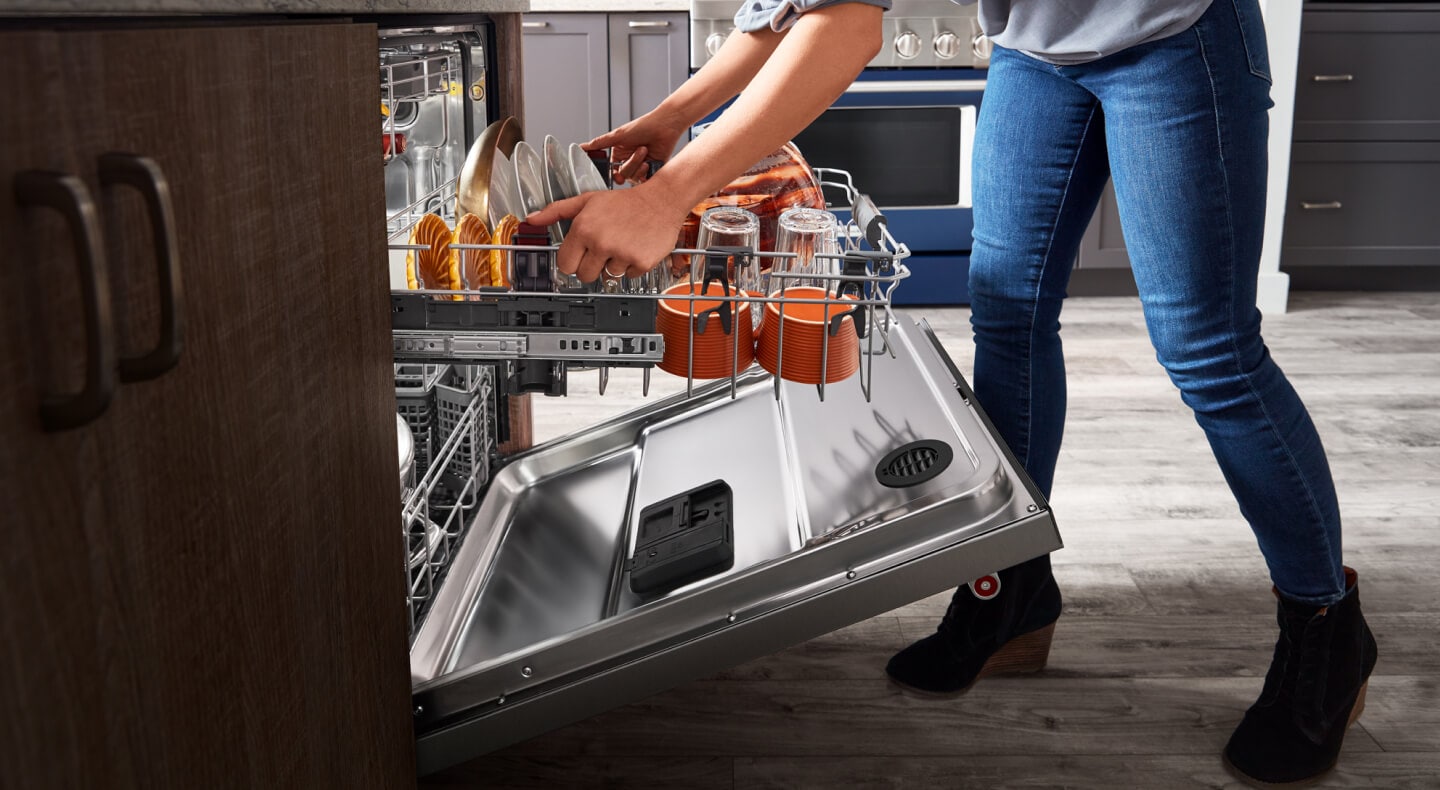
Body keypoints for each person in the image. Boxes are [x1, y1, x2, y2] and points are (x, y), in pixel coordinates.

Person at [526, 1, 1377, 785]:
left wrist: (667, 195)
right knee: (1007, 313)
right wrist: (670, 122)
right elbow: (794, 6)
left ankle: (1324, 626)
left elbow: (849, 24)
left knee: (1207, 349)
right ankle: (1009, 589)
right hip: (1039, 46)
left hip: (1170, 30)